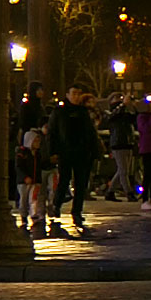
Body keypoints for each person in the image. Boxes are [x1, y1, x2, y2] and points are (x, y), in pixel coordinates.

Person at [47, 85, 100, 235]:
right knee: (64, 180)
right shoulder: (60, 112)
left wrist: (93, 150)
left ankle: (77, 211)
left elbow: (90, 133)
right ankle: (56, 206)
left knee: (81, 183)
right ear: (68, 94)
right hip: (65, 152)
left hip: (82, 153)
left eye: (79, 94)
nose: (76, 96)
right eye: (74, 93)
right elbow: (53, 132)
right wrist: (53, 151)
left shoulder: (83, 112)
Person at [15, 127, 47, 237]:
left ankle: (34, 215)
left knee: (33, 198)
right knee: (23, 199)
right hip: (24, 182)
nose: (38, 143)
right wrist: (25, 177)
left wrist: (38, 180)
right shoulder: (22, 153)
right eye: (36, 141)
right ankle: (24, 217)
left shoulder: (37, 154)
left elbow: (39, 167)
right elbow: (19, 167)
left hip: (34, 181)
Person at [106, 96, 139, 202]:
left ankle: (110, 192)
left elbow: (134, 119)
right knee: (123, 171)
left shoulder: (125, 114)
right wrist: (123, 105)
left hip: (127, 142)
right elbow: (112, 116)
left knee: (122, 170)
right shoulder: (112, 113)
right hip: (118, 143)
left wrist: (133, 107)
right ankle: (128, 192)